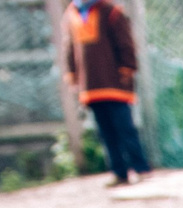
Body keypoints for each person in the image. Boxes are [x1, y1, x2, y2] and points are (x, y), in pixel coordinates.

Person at [60, 0, 146, 186]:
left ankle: (140, 168)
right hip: (90, 85)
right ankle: (119, 172)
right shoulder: (71, 13)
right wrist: (72, 74)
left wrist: (127, 68)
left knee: (125, 128)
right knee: (105, 132)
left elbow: (125, 42)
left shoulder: (111, 11)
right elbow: (69, 47)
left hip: (114, 82)